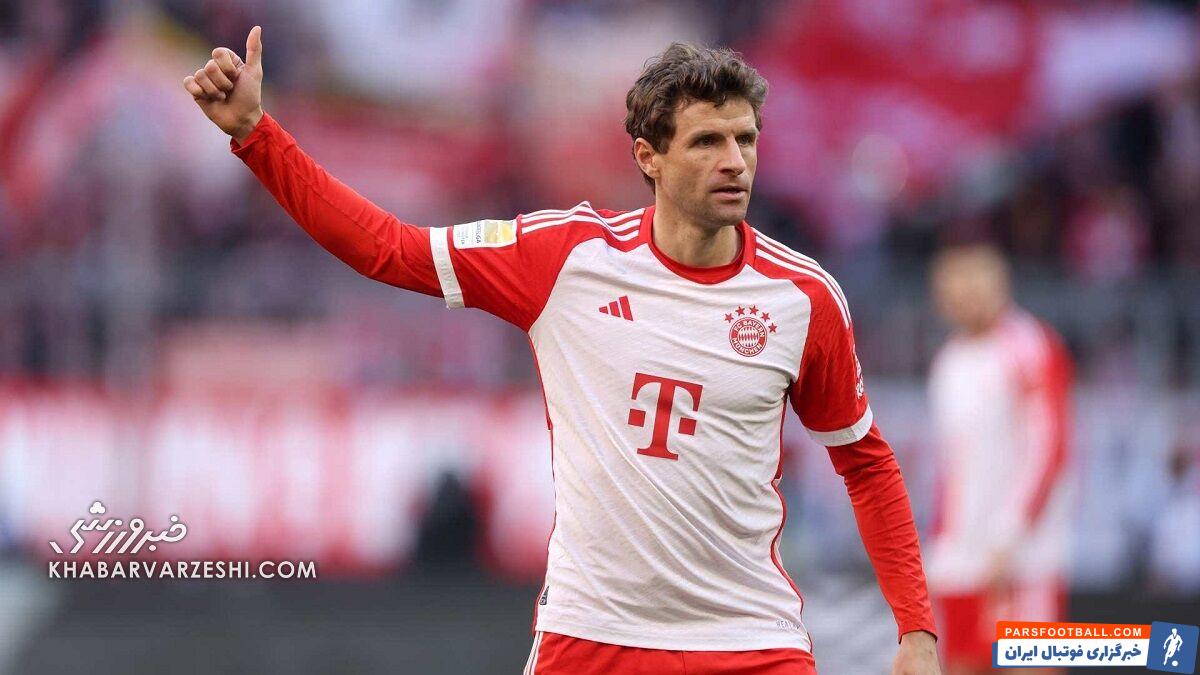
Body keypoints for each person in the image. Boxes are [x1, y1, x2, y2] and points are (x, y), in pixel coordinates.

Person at [183, 27, 941, 675]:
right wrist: (257, 136)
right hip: (592, 635)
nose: (735, 161)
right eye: (707, 141)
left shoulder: (801, 298)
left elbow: (865, 462)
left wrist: (916, 631)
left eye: (745, 139)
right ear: (648, 156)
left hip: (750, 640)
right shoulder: (567, 256)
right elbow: (389, 249)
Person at [926, 245, 1074, 675]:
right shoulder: (949, 361)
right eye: (956, 294)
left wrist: (1010, 533)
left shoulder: (1029, 346)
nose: (967, 302)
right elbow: (951, 465)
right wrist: (941, 541)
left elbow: (1049, 448)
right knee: (960, 663)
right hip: (961, 552)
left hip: (1023, 555)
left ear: (1000, 287)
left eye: (976, 289)